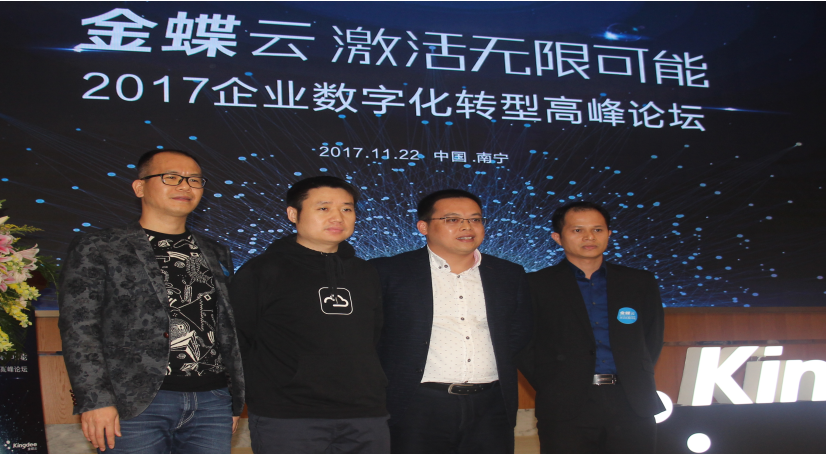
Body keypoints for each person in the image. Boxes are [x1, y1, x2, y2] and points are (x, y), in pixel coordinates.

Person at [58, 149, 244, 453]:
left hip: (212, 401)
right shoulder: (100, 246)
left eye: (194, 180)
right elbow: (79, 328)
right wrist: (95, 400)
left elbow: (224, 328)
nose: (185, 186)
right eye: (171, 177)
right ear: (140, 187)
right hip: (133, 404)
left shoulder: (215, 251)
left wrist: (233, 399)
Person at [229, 176, 389, 454]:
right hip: (288, 416)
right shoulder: (263, 270)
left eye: (347, 209)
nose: (337, 217)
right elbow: (237, 340)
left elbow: (372, 337)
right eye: (324, 208)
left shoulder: (365, 272)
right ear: (293, 214)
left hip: (365, 414)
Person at [370, 189, 532, 454]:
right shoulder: (387, 271)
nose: (467, 226)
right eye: (452, 219)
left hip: (491, 406)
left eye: (475, 219)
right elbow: (373, 336)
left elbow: (518, 333)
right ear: (423, 227)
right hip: (416, 405)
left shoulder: (508, 274)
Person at [516, 201, 666, 454]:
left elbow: (652, 338)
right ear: (557, 237)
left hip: (631, 401)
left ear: (609, 234)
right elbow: (523, 344)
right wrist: (553, 382)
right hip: (566, 404)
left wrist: (633, 372)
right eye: (577, 230)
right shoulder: (535, 284)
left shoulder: (639, 282)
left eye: (597, 230)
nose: (589, 237)